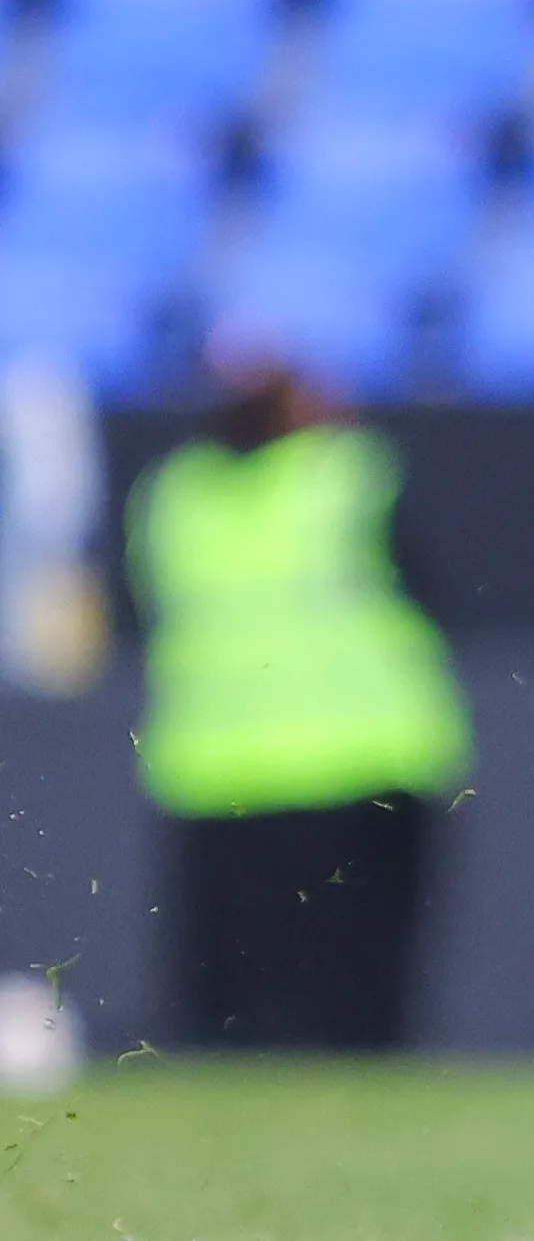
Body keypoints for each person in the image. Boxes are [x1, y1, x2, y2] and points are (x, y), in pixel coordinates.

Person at [129, 346, 469, 1050]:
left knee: (235, 1001)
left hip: (216, 770)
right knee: (358, 993)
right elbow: (438, 595)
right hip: (362, 758)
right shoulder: (348, 475)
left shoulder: (173, 494)